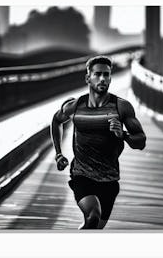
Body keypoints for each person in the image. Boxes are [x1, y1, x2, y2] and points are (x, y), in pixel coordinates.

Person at [51, 55, 146, 229]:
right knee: (93, 216)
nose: (102, 79)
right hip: (82, 175)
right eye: (97, 74)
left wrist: (123, 134)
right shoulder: (75, 106)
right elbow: (56, 121)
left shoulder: (121, 107)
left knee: (94, 227)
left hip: (109, 180)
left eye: (106, 75)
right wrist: (58, 153)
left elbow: (141, 141)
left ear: (110, 77)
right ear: (88, 78)